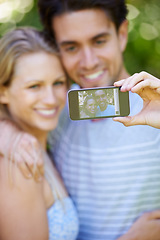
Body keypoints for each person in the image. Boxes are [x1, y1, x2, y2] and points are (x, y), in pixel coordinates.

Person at [1, 1, 160, 240]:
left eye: (99, 41)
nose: (88, 62)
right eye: (71, 47)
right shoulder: (57, 110)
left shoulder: (156, 112)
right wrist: (6, 130)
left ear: (122, 34)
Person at [0, 27, 79, 240]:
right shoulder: (19, 164)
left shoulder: (42, 143)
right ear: (3, 91)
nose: (51, 99)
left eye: (58, 83)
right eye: (34, 86)